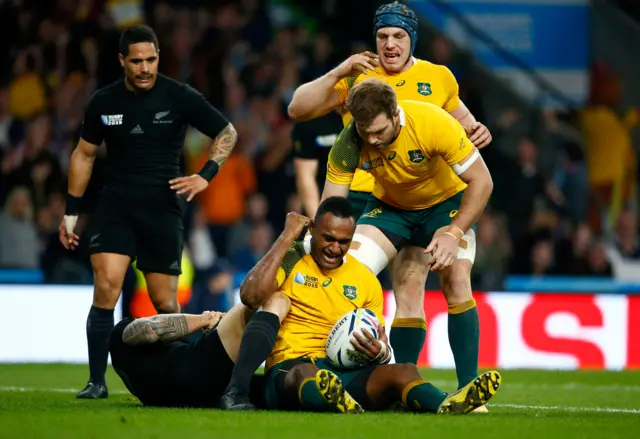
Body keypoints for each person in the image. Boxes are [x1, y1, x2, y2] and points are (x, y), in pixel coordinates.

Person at [287, 1, 491, 388]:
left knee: (447, 277)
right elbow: (297, 108)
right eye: (382, 36)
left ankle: (467, 388)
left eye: (399, 36)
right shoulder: (356, 77)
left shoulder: (438, 79)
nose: (390, 44)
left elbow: (463, 124)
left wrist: (478, 131)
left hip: (438, 200)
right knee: (368, 279)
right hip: (375, 199)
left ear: (412, 40)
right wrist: (340, 70)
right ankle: (368, 375)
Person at [59, 25, 238, 399]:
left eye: (151, 60)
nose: (144, 68)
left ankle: (187, 379)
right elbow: (84, 153)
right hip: (116, 206)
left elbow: (226, 132)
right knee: (106, 287)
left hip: (162, 210)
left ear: (158, 57)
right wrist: (71, 211)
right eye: (136, 61)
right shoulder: (103, 102)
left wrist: (206, 175)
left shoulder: (179, 95)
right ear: (122, 61)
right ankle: (96, 382)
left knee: (165, 303)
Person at [220, 196, 501, 413]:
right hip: (290, 369)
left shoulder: (365, 279)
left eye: (343, 242)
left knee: (403, 370)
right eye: (328, 238)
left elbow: (378, 341)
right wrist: (286, 237)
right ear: (313, 229)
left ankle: (448, 404)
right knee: (305, 373)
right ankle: (328, 399)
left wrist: (379, 352)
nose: (334, 248)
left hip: (343, 371)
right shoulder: (293, 258)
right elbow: (251, 295)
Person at [323, 79, 494, 402]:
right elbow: (330, 207)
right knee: (351, 271)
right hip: (391, 208)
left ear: (395, 113)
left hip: (445, 206)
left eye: (379, 131)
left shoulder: (433, 123)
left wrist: (453, 233)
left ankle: (470, 389)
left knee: (456, 276)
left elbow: (482, 182)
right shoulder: (350, 141)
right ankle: (392, 387)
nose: (372, 140)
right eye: (365, 132)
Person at [108, 298, 290, 408]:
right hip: (196, 369)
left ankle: (311, 386)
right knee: (262, 296)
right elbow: (152, 329)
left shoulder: (134, 372)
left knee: (282, 388)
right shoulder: (121, 331)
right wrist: (205, 319)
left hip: (205, 396)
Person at [292, 110, 344, 218]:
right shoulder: (310, 119)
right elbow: (305, 177)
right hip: (325, 201)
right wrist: (317, 221)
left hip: (367, 202)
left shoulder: (370, 114)